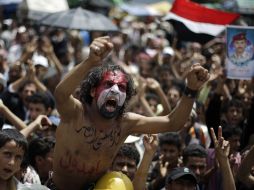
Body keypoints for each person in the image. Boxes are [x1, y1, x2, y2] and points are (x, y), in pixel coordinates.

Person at [53, 36, 210, 190]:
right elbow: (60, 94)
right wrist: (90, 62)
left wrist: (191, 90)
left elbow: (173, 123)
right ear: (93, 91)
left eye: (121, 88)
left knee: (118, 182)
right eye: (108, 84)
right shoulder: (75, 113)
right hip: (57, 188)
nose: (114, 90)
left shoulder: (125, 123)